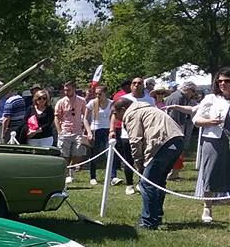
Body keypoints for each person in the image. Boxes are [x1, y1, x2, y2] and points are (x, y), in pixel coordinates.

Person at [113, 98, 184, 229]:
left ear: (123, 109)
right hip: (177, 140)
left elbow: (135, 140)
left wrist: (139, 163)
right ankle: (156, 216)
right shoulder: (148, 109)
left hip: (163, 143)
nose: (115, 117)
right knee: (158, 182)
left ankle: (149, 221)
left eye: (115, 113)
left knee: (147, 183)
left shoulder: (131, 114)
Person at [192, 68, 230, 224]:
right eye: (220, 81)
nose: (223, 84)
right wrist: (209, 122)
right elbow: (196, 120)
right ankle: (207, 208)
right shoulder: (211, 98)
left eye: (227, 81)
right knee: (210, 173)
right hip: (213, 140)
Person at [164, 82, 198, 180]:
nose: (193, 94)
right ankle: (171, 174)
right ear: (188, 89)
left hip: (175, 127)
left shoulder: (179, 96)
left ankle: (174, 173)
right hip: (175, 128)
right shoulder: (178, 97)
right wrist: (178, 130)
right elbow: (174, 116)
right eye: (193, 91)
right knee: (175, 150)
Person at [54, 81, 87, 180]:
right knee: (64, 154)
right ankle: (65, 174)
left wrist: (85, 128)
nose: (66, 92)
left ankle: (71, 170)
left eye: (68, 90)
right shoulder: (61, 102)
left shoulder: (81, 100)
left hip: (77, 131)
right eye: (65, 90)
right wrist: (59, 131)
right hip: (65, 131)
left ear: (74, 89)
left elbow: (85, 115)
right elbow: (56, 117)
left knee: (77, 153)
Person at [84, 85, 113, 185]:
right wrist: (88, 132)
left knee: (110, 152)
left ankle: (112, 176)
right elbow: (85, 119)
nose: (97, 95)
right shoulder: (92, 103)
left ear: (105, 93)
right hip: (95, 129)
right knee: (94, 154)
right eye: (96, 94)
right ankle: (93, 176)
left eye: (99, 94)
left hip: (108, 129)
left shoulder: (111, 103)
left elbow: (114, 117)